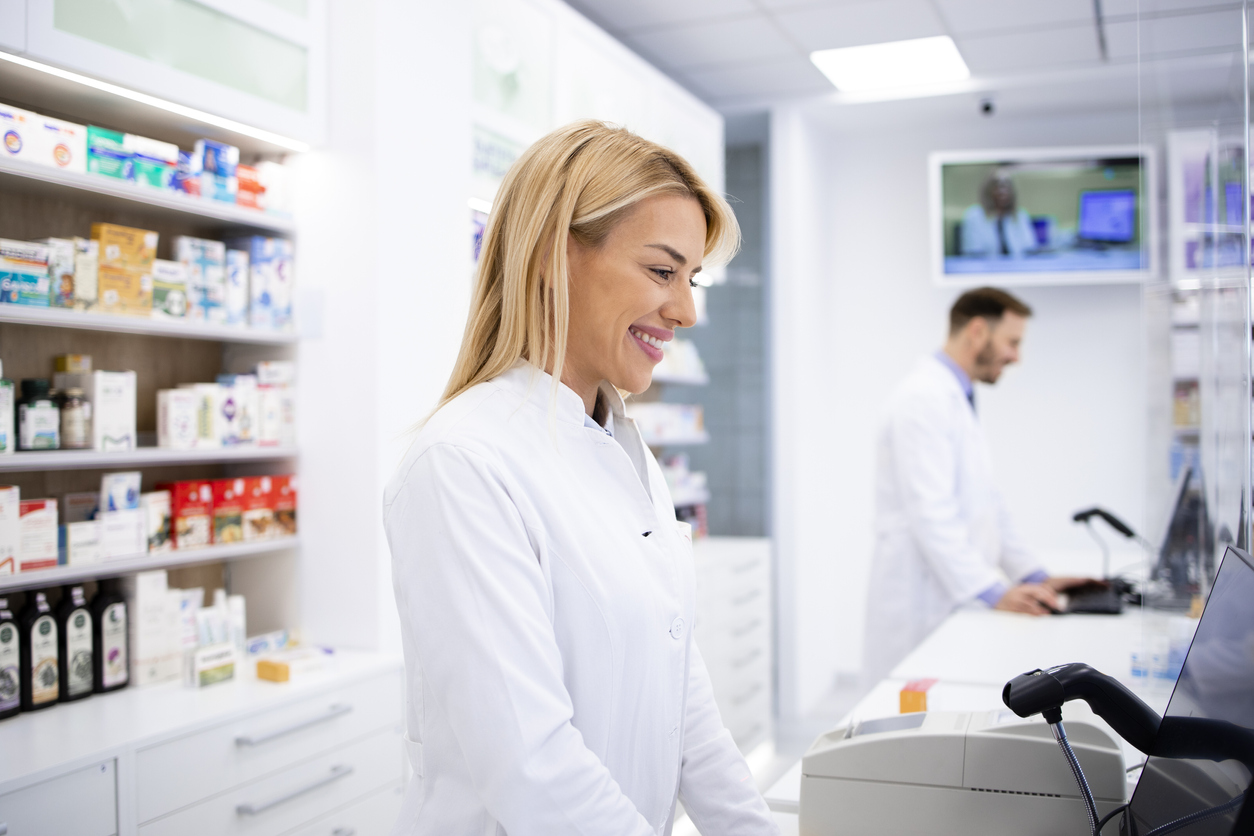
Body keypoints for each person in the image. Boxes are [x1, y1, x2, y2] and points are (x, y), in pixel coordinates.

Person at [384, 121, 778, 836]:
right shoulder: (464, 464)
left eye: (692, 279)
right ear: (552, 256)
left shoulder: (627, 453)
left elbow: (682, 702)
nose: (686, 310)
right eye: (662, 272)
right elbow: (533, 767)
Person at [862, 287, 1088, 684]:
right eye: (1012, 342)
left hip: (947, 598)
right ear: (978, 331)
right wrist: (993, 592)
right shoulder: (922, 399)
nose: (1017, 357)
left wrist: (1034, 576)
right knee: (910, 724)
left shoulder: (954, 397)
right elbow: (930, 513)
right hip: (920, 604)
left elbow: (987, 503)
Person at [960, 173, 1038, 257]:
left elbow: (1030, 247)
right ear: (988, 190)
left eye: (1006, 187)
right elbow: (972, 252)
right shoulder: (974, 216)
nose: (1002, 191)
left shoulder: (1020, 215)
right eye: (997, 186)